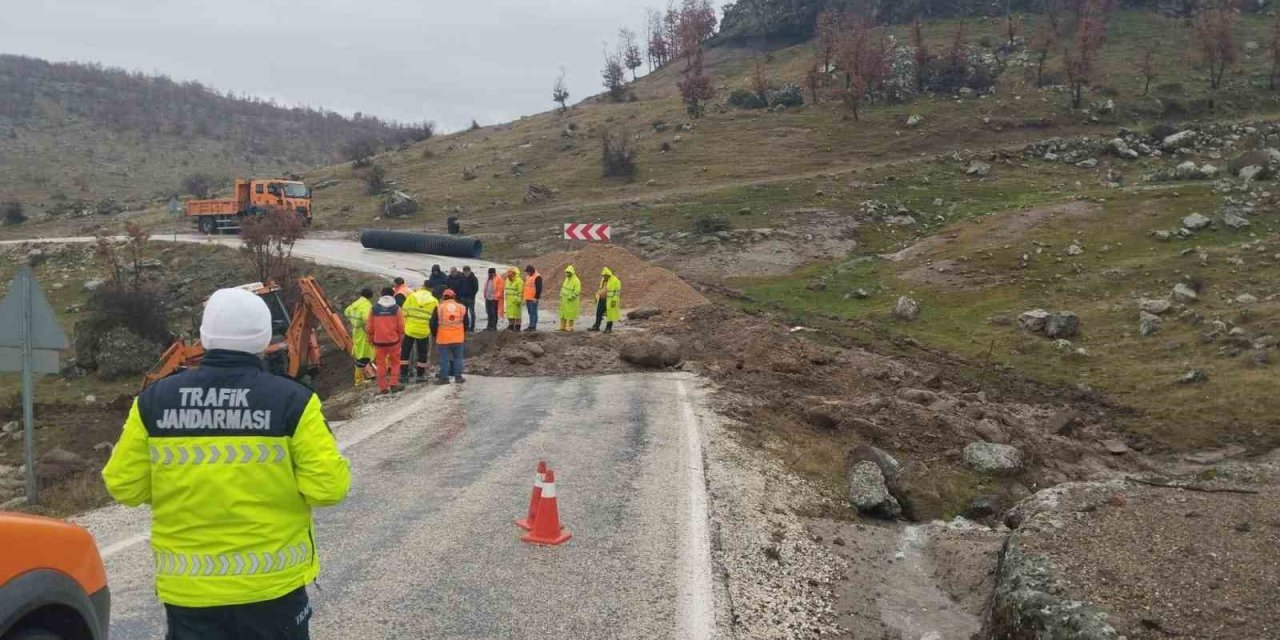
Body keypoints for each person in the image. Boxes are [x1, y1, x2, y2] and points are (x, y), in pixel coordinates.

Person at [102, 287, 350, 640]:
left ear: (204, 337)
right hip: (271, 589)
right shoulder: (293, 400)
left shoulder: (154, 400)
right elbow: (328, 488)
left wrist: (182, 488)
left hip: (189, 591)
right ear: (265, 340)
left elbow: (124, 485)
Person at [366, 287, 405, 394]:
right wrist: (400, 337)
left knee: (380, 364)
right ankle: (393, 384)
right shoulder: (396, 309)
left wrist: (371, 337)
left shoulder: (374, 309)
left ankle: (383, 387)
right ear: (393, 295)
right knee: (395, 363)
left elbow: (369, 326)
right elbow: (401, 326)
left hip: (378, 341)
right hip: (393, 341)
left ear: (381, 295)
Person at [400, 283, 439, 383]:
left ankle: (404, 375)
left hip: (410, 329)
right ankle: (420, 375)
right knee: (422, 354)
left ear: (423, 286)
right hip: (424, 331)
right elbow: (435, 318)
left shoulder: (412, 296)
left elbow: (403, 312)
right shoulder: (434, 301)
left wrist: (405, 325)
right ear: (431, 289)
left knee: (405, 352)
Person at [429, 288, 468, 384]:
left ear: (443, 297)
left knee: (444, 358)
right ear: (454, 296)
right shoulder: (461, 307)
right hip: (458, 337)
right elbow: (466, 323)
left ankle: (444, 378)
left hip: (443, 337)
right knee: (458, 357)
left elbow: (433, 323)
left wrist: (435, 334)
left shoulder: (439, 307)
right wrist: (462, 332)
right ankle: (458, 377)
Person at [343, 288, 375, 386]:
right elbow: (367, 319)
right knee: (364, 355)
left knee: (360, 353)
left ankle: (359, 379)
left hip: (356, 331)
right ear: (370, 296)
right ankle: (359, 381)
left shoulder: (355, 304)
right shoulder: (366, 305)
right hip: (364, 332)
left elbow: (346, 312)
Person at [589, 267, 622, 333]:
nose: (604, 277)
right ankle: (596, 326)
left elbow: (617, 292)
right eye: (603, 276)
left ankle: (608, 328)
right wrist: (597, 296)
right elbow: (600, 289)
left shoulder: (615, 281)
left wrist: (614, 301)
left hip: (610, 300)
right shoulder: (603, 280)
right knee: (599, 313)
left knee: (610, 314)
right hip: (602, 299)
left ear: (608, 275)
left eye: (605, 276)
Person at [558, 266, 581, 332]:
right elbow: (563, 287)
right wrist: (561, 293)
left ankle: (570, 327)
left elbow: (577, 291)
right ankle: (562, 326)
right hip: (564, 299)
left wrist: (570, 297)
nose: (566, 274)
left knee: (570, 314)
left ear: (571, 273)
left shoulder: (576, 281)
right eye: (566, 272)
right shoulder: (566, 279)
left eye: (568, 273)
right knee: (563, 313)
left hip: (571, 300)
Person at [522, 265, 543, 332]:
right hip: (528, 298)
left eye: (527, 272)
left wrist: (536, 297)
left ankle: (533, 326)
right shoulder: (528, 276)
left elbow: (539, 288)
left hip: (533, 299)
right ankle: (530, 325)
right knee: (530, 312)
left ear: (531, 271)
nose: (526, 273)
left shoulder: (537, 277)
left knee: (533, 313)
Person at [459, 266, 480, 332]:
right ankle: (466, 326)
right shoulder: (461, 277)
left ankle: (472, 327)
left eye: (467, 271)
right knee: (464, 313)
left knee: (472, 312)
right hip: (463, 298)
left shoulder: (474, 278)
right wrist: (461, 294)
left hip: (470, 299)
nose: (466, 273)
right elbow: (460, 286)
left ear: (469, 271)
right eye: (465, 271)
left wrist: (472, 295)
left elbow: (476, 288)